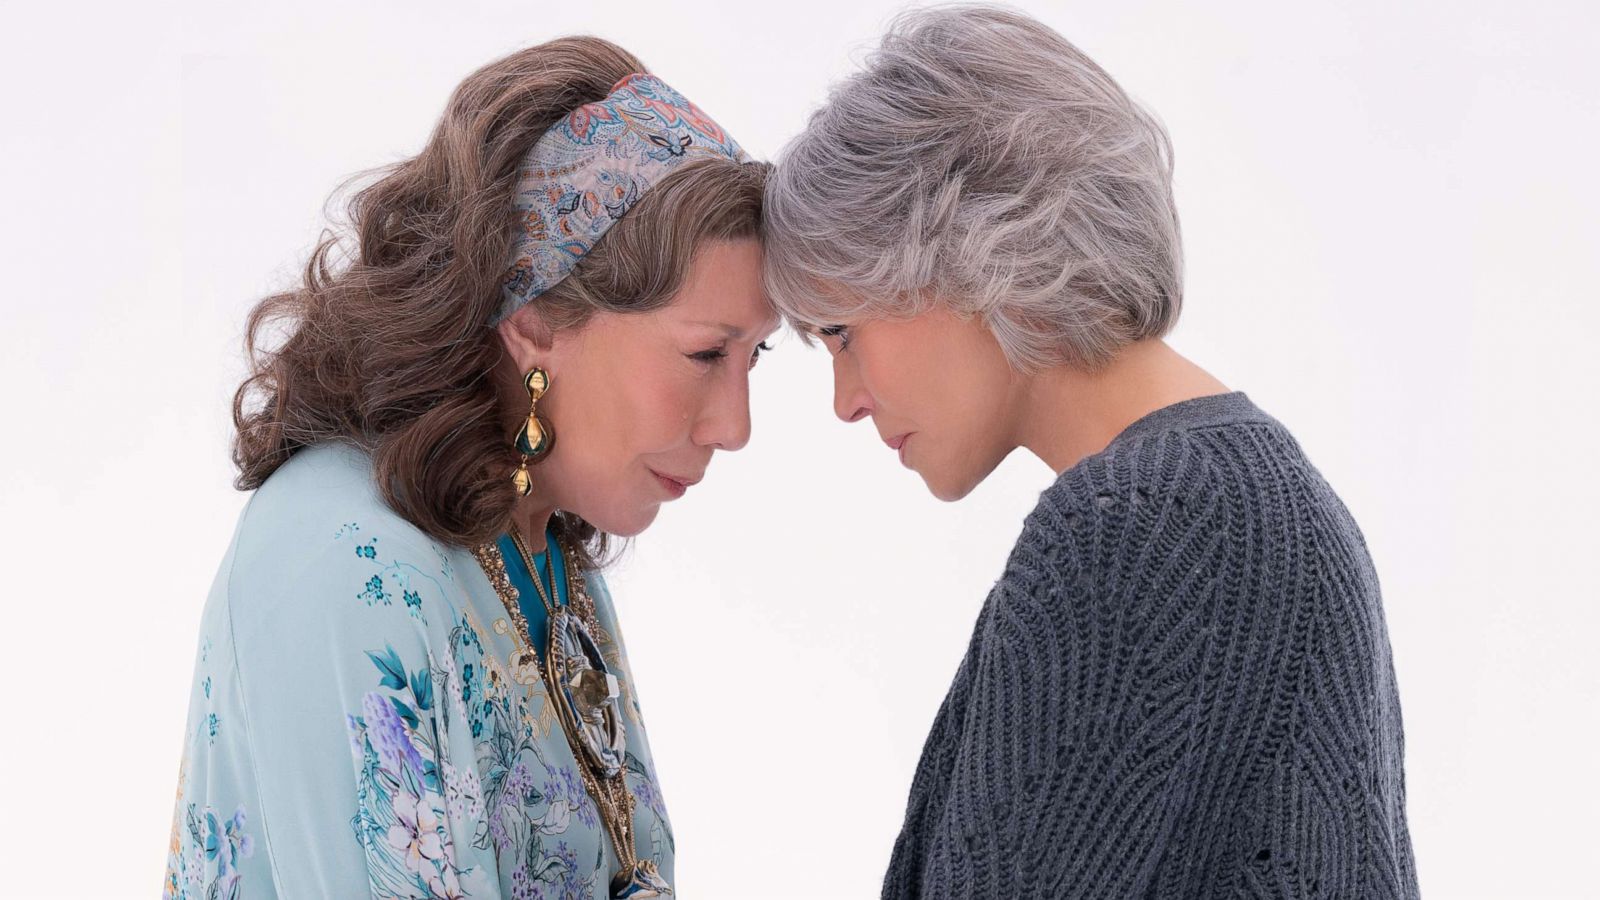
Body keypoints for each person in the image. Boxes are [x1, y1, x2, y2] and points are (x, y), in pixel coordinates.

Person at [761, 6, 1420, 897]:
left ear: (969, 245)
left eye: (842, 333)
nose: (846, 400)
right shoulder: (1278, 499)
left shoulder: (1137, 527)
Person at [163, 36, 776, 900]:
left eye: (759, 356)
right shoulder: (346, 566)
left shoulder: (535, 544)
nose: (736, 426)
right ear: (535, 320)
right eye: (708, 353)